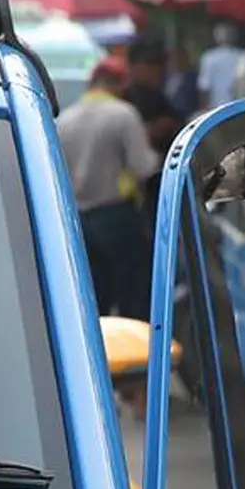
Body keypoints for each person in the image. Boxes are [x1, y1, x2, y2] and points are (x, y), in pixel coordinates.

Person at [56, 57, 157, 319]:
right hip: (116, 216)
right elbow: (143, 165)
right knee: (132, 299)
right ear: (121, 85)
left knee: (92, 301)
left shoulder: (64, 120)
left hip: (77, 220)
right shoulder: (123, 114)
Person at [196, 19, 245, 110]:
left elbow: (204, 87)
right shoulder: (243, 55)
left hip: (216, 107)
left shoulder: (209, 57)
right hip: (241, 106)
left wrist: (204, 109)